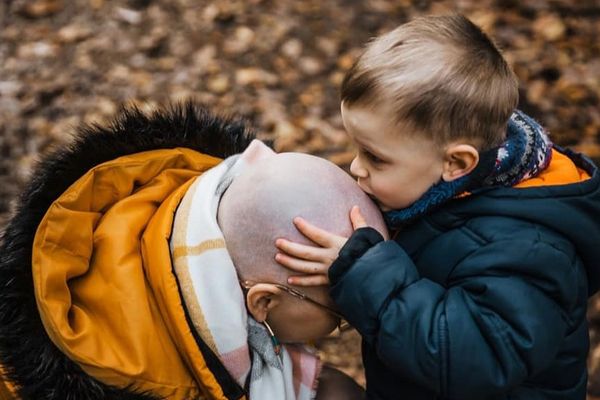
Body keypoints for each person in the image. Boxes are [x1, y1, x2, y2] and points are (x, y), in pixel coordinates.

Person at [274, 14, 600, 400]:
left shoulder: (531, 249)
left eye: (375, 157)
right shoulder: (448, 186)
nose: (355, 167)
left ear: (456, 163)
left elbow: (472, 359)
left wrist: (364, 275)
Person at [0, 103, 386, 400]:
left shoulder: (207, 208)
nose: (339, 330)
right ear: (262, 303)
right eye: (339, 319)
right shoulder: (136, 373)